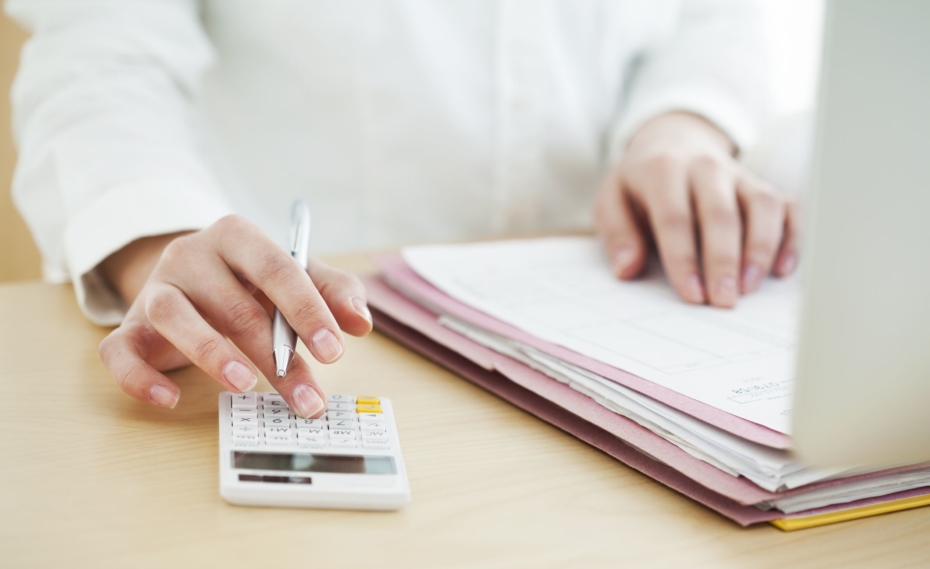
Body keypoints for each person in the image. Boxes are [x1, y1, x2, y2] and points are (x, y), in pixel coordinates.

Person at [7, 0, 798, 418]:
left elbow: (713, 18)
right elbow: (99, 58)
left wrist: (683, 124)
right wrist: (160, 241)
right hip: (294, 330)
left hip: (611, 311)